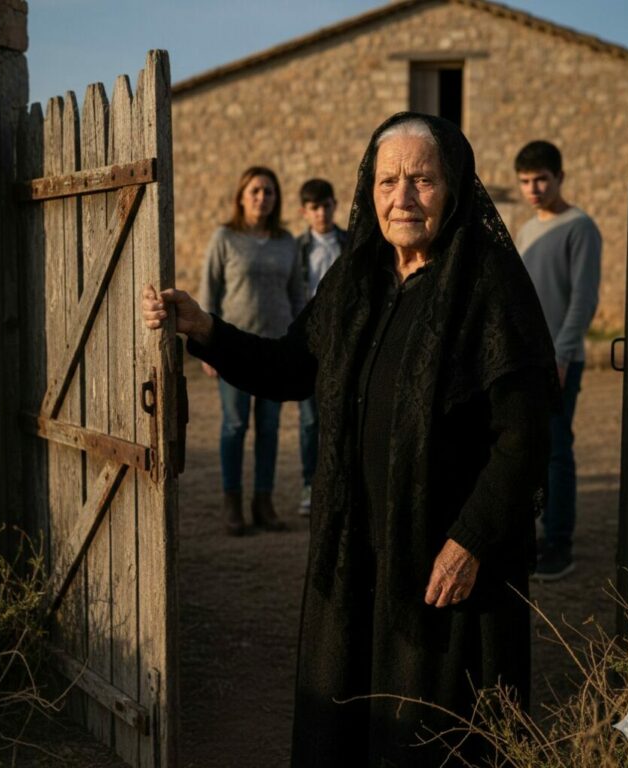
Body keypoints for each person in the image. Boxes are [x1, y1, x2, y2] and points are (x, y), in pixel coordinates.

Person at [144, 113, 557, 766]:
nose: (404, 197)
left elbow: (525, 436)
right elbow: (290, 368)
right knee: (348, 725)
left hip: (443, 570)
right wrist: (207, 329)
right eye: (388, 181)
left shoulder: (489, 288)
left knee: (432, 736)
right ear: (369, 190)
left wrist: (471, 540)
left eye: (422, 180)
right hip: (354, 552)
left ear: (454, 188)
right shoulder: (354, 283)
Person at [198, 166, 304, 536]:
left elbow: (298, 295)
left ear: (276, 199)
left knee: (270, 428)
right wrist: (209, 348)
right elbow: (209, 292)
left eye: (269, 192)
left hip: (276, 350)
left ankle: (264, 502)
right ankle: (233, 506)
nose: (262, 197)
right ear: (242, 196)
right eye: (256, 191)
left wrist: (303, 342)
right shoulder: (225, 238)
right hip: (233, 348)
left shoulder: (287, 241)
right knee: (234, 425)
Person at [515, 140, 601, 581]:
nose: (533, 189)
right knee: (527, 449)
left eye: (541, 180)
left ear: (560, 177)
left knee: (555, 449)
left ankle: (559, 542)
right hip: (525, 361)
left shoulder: (580, 227)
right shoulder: (527, 231)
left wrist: (563, 354)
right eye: (525, 182)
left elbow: (584, 300)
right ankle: (534, 536)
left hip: (561, 360)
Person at [295, 178, 347, 515]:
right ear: (305, 212)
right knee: (311, 418)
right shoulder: (297, 248)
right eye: (314, 207)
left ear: (334, 205)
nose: (321, 213)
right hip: (311, 341)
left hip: (344, 339)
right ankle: (310, 484)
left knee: (343, 414)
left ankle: (340, 485)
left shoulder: (350, 242)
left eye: (326, 205)